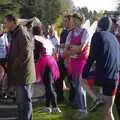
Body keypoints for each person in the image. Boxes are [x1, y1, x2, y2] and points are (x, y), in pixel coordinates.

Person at [81, 17, 120, 120]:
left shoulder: (97, 35)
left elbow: (91, 57)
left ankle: (96, 99)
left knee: (81, 80)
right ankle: (99, 99)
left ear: (99, 26)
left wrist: (85, 73)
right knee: (108, 111)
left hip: (103, 76)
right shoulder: (114, 38)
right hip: (115, 77)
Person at [5, 14, 36, 120]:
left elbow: (26, 51)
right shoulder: (15, 33)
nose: (5, 24)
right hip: (19, 74)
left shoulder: (22, 32)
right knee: (20, 102)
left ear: (12, 22)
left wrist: (15, 63)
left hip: (24, 74)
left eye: (6, 22)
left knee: (25, 101)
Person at [64, 13, 89, 115]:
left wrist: (71, 47)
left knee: (80, 85)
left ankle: (83, 109)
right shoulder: (71, 33)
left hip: (81, 62)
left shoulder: (85, 32)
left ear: (81, 20)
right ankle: (79, 106)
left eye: (76, 20)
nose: (73, 22)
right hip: (73, 62)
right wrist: (74, 48)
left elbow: (81, 49)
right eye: (73, 20)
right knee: (75, 85)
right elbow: (66, 50)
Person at [33, 25, 61, 113]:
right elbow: (53, 50)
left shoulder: (37, 40)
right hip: (50, 61)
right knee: (48, 85)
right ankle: (47, 106)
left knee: (48, 86)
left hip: (44, 63)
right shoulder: (45, 39)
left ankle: (55, 106)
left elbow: (36, 54)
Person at [55, 15, 71, 103]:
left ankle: (73, 99)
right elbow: (62, 45)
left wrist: (63, 45)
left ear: (70, 21)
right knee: (58, 77)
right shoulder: (63, 32)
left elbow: (69, 45)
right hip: (62, 57)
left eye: (66, 21)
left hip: (70, 58)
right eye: (64, 21)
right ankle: (60, 97)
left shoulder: (72, 32)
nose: (64, 22)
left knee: (71, 80)